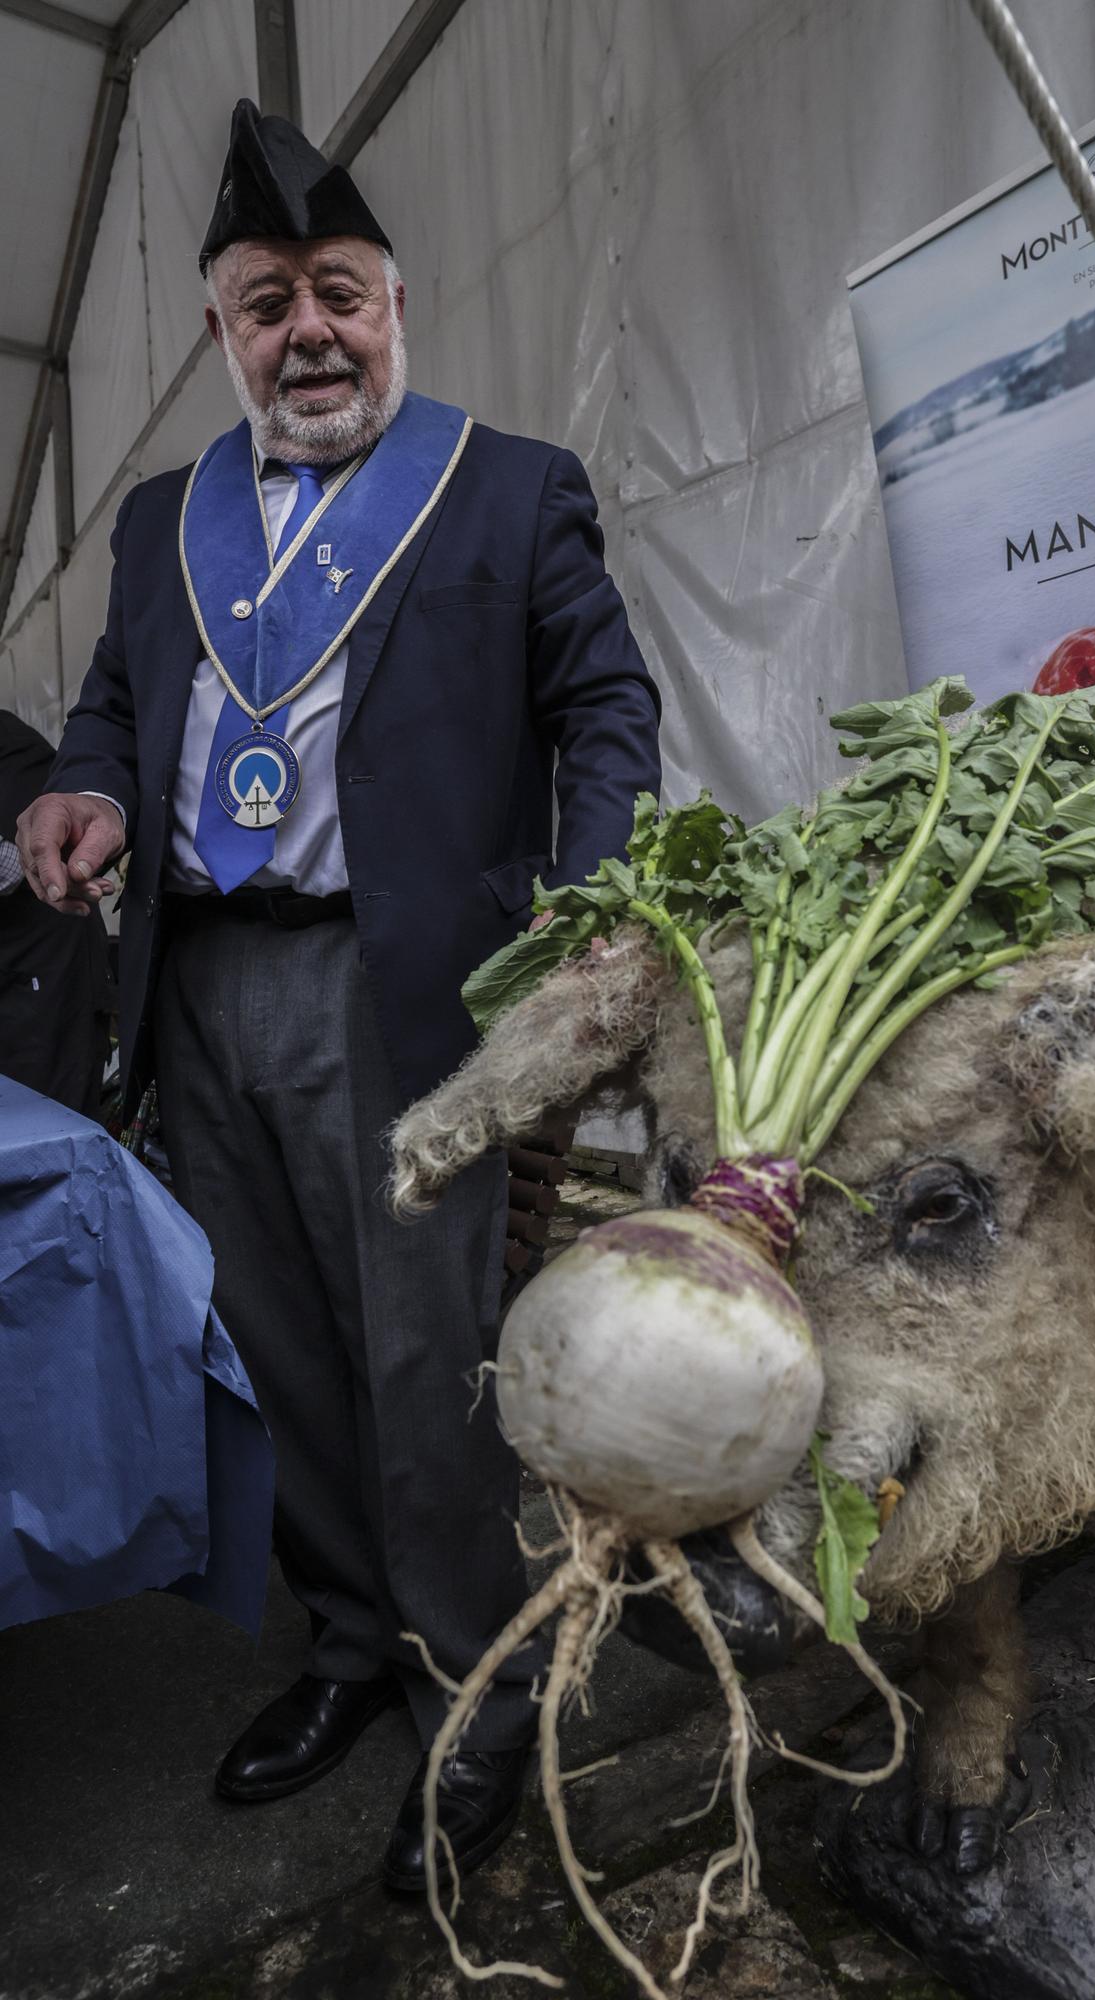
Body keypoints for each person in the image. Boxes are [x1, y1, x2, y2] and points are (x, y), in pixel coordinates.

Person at [16, 99, 661, 1892]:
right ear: (222, 330)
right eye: (265, 301)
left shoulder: (508, 484)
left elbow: (606, 704)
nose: (308, 331)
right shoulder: (161, 522)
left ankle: (480, 1678)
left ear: (395, 304)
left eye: (340, 293)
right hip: (203, 979)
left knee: (420, 1356)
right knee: (275, 1347)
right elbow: (115, 719)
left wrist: (591, 892)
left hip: (405, 987)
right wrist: (67, 785)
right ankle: (354, 1644)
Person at [0, 708, 112, 1116]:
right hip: (15, 977)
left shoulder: (14, 751)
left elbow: (13, 864)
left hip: (47, 990)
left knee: (49, 1134)